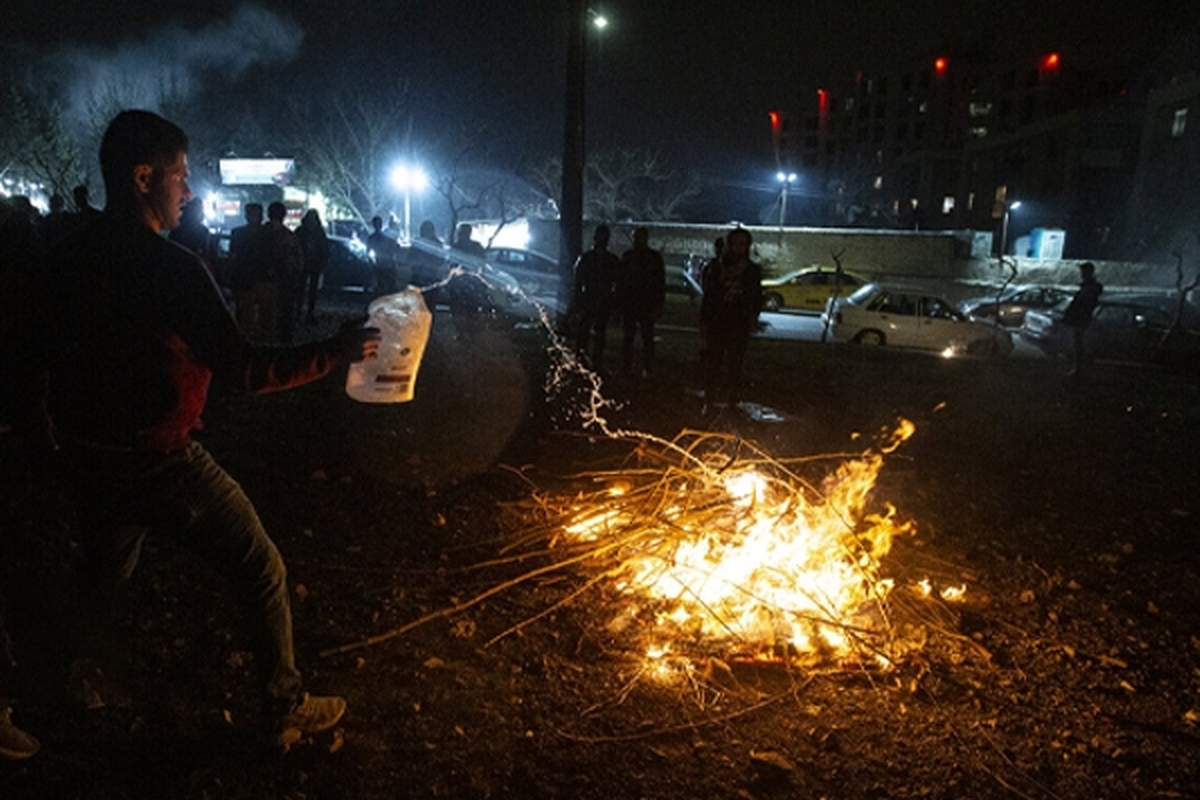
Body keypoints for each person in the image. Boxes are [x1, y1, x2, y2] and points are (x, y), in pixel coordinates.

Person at [13, 109, 380, 745]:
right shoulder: (171, 269)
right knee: (260, 565)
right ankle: (284, 705)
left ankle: (50, 682)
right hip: (160, 461)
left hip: (86, 455)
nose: (189, 189)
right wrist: (333, 353)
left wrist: (35, 420)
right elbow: (242, 369)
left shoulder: (65, 258)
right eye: (180, 176)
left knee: (100, 577)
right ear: (142, 177)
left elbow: (26, 349)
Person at [699, 227, 762, 411]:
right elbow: (708, 296)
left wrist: (751, 317)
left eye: (742, 244)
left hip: (738, 324)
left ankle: (732, 402)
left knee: (735, 365)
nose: (737, 249)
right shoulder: (715, 268)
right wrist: (704, 322)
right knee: (713, 363)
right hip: (717, 323)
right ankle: (709, 400)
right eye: (734, 244)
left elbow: (756, 298)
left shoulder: (751, 271)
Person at [615, 226, 666, 377]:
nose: (639, 240)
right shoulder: (634, 257)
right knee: (633, 337)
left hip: (643, 303)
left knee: (644, 337)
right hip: (635, 303)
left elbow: (660, 283)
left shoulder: (642, 257)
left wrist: (659, 303)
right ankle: (631, 366)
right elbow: (621, 282)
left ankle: (643, 366)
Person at [572, 224, 620, 370]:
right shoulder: (589, 258)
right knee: (586, 331)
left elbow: (616, 282)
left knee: (598, 332)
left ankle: (591, 360)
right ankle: (582, 358)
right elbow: (578, 280)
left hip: (600, 298)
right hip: (591, 298)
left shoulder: (605, 259)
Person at [263, 201, 304, 344]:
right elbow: (297, 262)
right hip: (285, 282)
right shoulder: (288, 236)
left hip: (264, 281)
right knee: (284, 316)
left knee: (266, 316)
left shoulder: (261, 233)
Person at [1061, 261, 1103, 377]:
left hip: (1082, 319)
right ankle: (1079, 368)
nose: (1081, 274)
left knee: (1080, 344)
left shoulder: (1090, 288)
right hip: (1081, 319)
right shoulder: (1088, 287)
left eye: (1083, 271)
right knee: (1078, 344)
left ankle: (1080, 369)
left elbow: (1084, 304)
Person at [449, 223, 491, 339]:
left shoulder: (458, 247)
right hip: (467, 283)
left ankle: (467, 332)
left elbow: (451, 264)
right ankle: (467, 332)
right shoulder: (474, 247)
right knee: (466, 309)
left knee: (465, 309)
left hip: (466, 283)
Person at [230, 202, 267, 333]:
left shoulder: (238, 233)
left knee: (245, 314)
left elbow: (233, 257)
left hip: (247, 277)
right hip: (257, 278)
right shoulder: (266, 234)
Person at [297, 209, 330, 324]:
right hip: (309, 263)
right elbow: (325, 248)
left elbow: (324, 248)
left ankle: (302, 313)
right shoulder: (317, 231)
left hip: (308, 263)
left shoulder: (303, 231)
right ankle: (304, 313)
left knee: (304, 291)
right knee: (307, 291)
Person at [366, 216, 403, 296]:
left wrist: (372, 264)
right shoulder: (387, 237)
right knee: (391, 287)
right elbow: (397, 249)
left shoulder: (371, 238)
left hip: (380, 265)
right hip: (389, 264)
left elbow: (368, 253)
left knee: (381, 287)